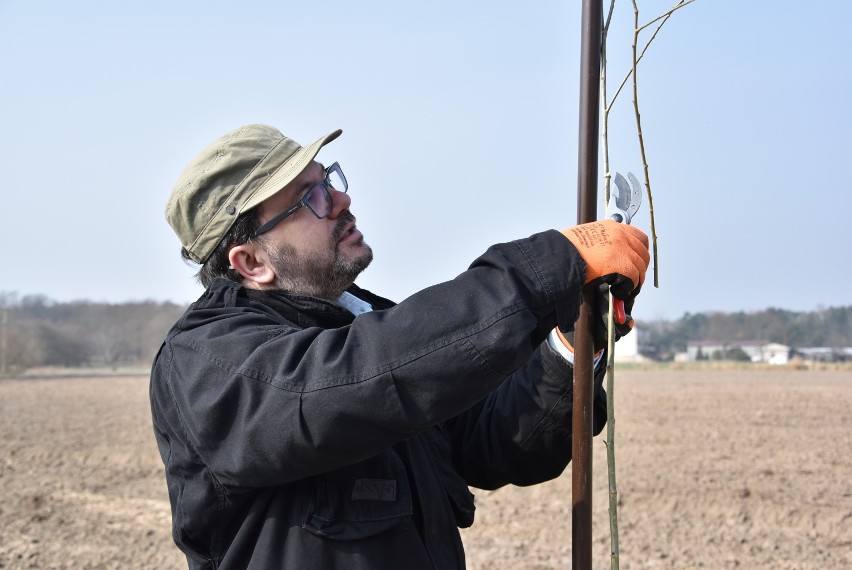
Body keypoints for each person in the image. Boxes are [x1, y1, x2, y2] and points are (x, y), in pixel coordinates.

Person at [150, 124, 650, 570]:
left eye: (329, 182)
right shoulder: (207, 358)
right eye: (311, 199)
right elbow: (346, 381)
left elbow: (495, 443)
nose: (340, 201)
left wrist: (573, 343)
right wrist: (544, 268)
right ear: (251, 262)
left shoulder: (365, 321)